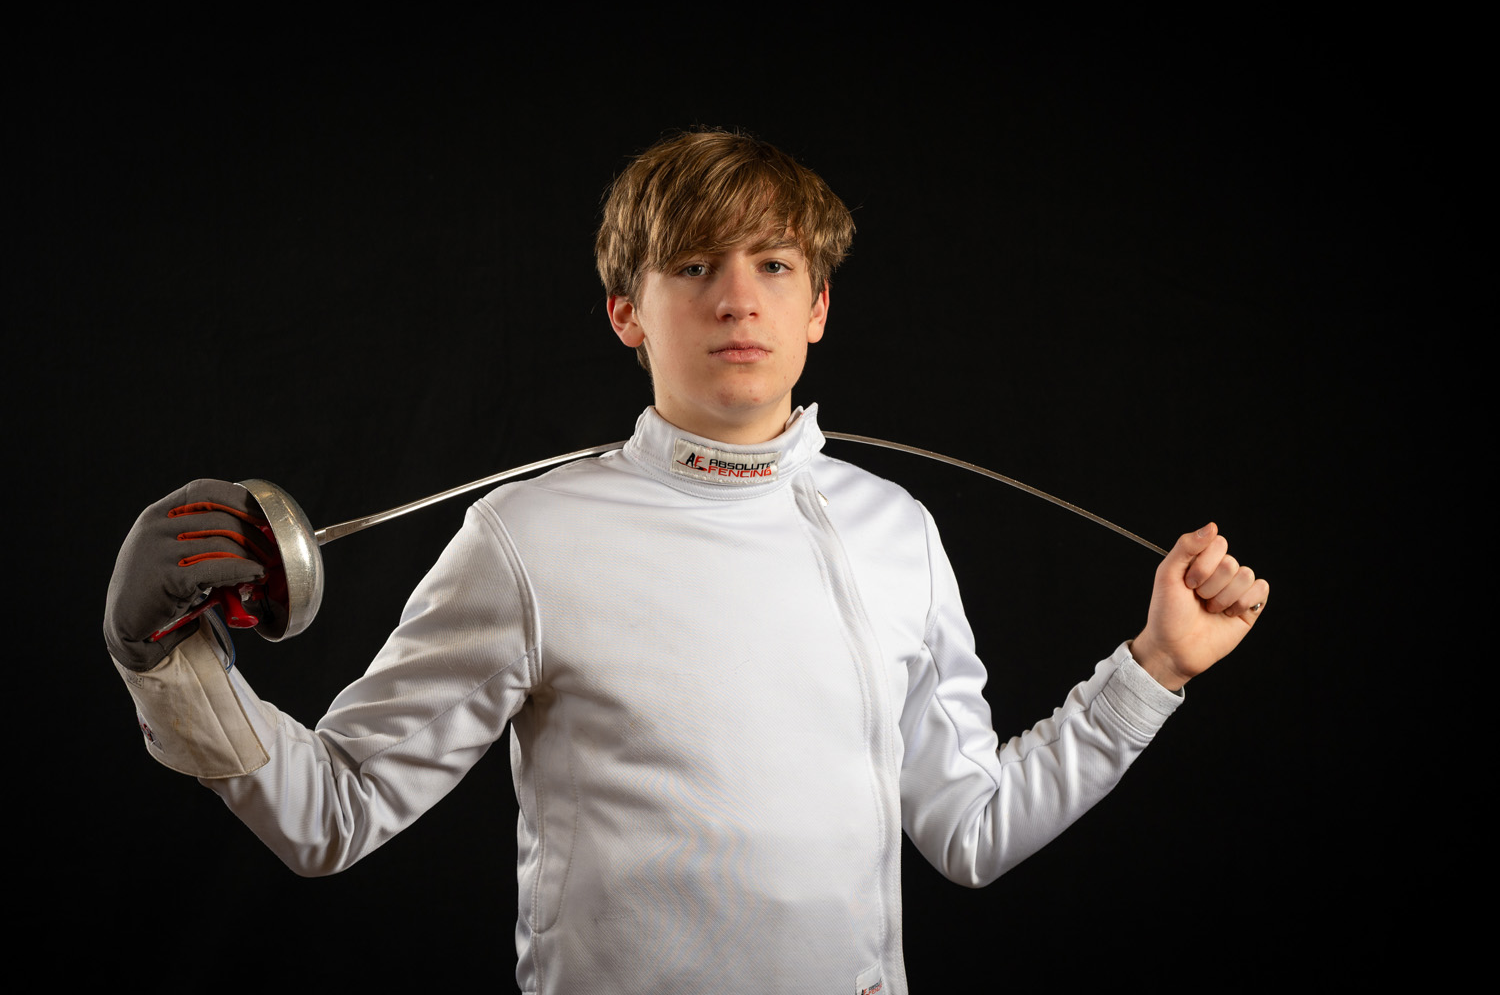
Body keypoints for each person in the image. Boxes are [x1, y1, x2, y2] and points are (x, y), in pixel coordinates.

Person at [104, 130, 1269, 994]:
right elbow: (336, 811)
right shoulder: (528, 536)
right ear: (627, 310)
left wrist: (1155, 667)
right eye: (697, 265)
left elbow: (971, 832)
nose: (737, 300)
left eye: (774, 266)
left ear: (819, 306)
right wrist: (167, 666)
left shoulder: (896, 530)